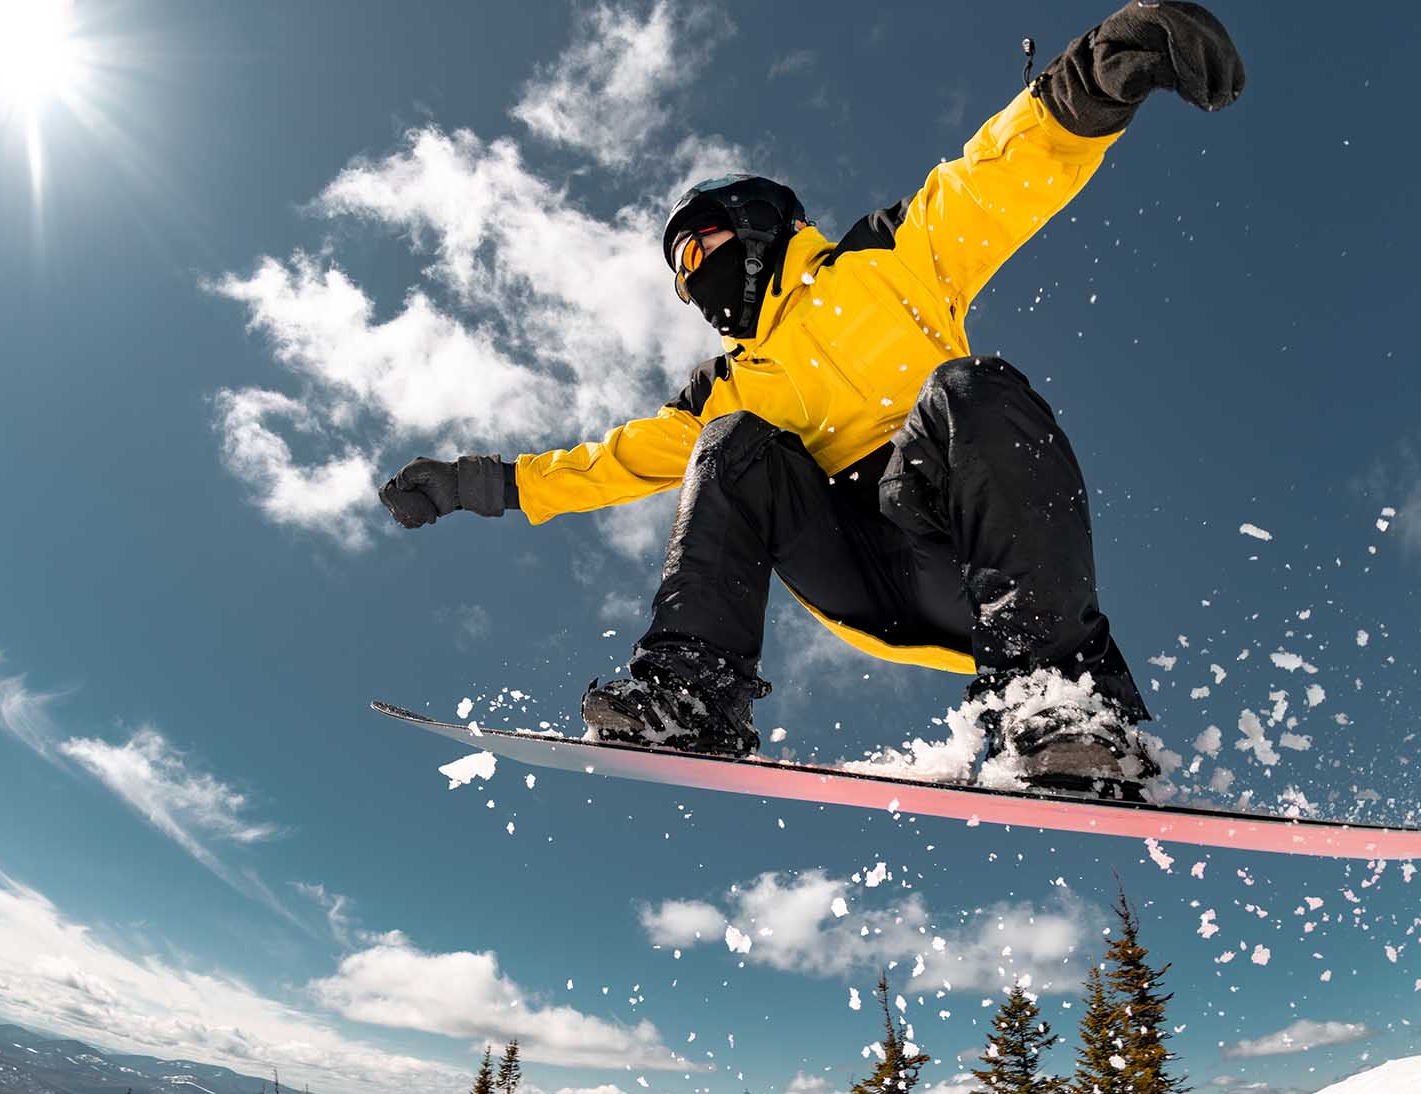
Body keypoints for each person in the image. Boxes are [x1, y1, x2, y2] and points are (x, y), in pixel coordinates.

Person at [380, 1, 1244, 794]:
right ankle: (695, 701)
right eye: (681, 275)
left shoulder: (892, 257)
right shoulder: (730, 383)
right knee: (730, 444)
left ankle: (1062, 700)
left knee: (970, 388)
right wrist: (479, 482)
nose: (691, 281)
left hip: (960, 549)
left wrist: (1093, 76)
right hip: (852, 573)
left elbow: (996, 177)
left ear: (757, 224)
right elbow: (613, 463)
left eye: (698, 248)